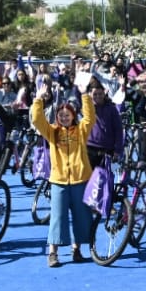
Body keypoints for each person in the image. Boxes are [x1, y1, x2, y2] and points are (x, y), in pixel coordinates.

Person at [29, 89, 94, 267]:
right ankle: (53, 253)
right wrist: (38, 99)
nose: (65, 118)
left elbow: (90, 118)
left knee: (81, 217)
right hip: (59, 181)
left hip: (80, 180)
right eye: (61, 115)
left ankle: (76, 250)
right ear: (57, 117)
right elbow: (36, 120)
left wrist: (85, 95)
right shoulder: (52, 132)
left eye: (68, 115)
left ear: (73, 116)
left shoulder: (81, 130)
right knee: (57, 217)